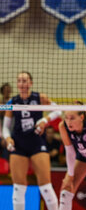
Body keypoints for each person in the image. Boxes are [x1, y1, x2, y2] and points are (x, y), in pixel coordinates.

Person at [2, 71, 61, 210]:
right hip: (19, 144)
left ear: (30, 83)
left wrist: (45, 120)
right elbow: (6, 127)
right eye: (20, 81)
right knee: (18, 188)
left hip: (37, 143)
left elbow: (58, 111)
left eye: (25, 80)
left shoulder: (39, 97)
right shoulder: (12, 102)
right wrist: (8, 138)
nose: (22, 84)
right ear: (17, 84)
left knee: (46, 187)